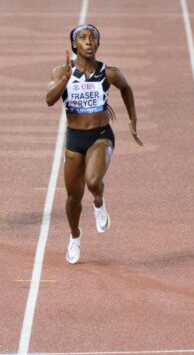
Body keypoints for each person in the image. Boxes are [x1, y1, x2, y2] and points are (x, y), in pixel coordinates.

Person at [46, 24, 142, 264]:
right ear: (74, 44)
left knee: (92, 180)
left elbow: (126, 89)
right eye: (83, 38)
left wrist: (132, 121)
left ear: (98, 44)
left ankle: (99, 202)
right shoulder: (60, 72)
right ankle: (75, 236)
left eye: (93, 38)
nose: (88, 41)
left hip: (101, 135)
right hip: (74, 138)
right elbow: (49, 99)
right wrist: (66, 79)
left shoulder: (108, 73)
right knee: (72, 197)